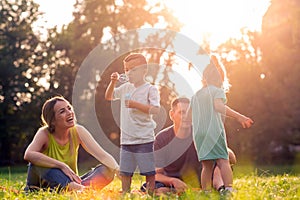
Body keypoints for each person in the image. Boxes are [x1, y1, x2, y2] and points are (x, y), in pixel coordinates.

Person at [187, 55, 254, 194]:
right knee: (223, 160)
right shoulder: (217, 91)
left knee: (207, 165)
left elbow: (188, 116)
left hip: (199, 135)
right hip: (214, 132)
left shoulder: (196, 95)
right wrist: (239, 117)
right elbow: (219, 107)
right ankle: (228, 189)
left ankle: (206, 192)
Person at [23, 96, 119, 192]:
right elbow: (28, 154)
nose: (69, 113)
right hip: (43, 186)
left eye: (69, 108)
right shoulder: (44, 133)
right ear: (52, 120)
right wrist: (62, 166)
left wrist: (118, 170)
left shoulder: (78, 131)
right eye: (62, 111)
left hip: (71, 183)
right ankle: (79, 189)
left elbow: (102, 155)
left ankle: (80, 189)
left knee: (108, 169)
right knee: (37, 163)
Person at [141, 97, 236, 194]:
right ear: (172, 114)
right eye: (181, 112)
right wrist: (173, 181)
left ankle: (221, 189)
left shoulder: (202, 133)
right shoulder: (162, 139)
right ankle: (183, 191)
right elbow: (155, 174)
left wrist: (224, 152)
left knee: (219, 165)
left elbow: (231, 157)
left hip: (202, 181)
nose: (186, 116)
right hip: (173, 182)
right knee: (156, 188)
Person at [105, 53, 160, 194]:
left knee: (148, 171)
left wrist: (136, 105)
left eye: (134, 69)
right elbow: (109, 96)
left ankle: (151, 194)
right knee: (125, 172)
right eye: (127, 69)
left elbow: (156, 109)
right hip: (127, 139)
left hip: (144, 138)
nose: (129, 73)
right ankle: (125, 194)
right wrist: (113, 82)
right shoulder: (125, 88)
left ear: (144, 70)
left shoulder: (150, 89)